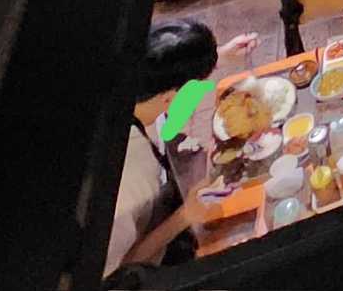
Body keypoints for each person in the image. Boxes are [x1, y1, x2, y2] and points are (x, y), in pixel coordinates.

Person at [106, 19, 254, 278]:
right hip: (150, 265)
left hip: (169, 195)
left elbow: (170, 86)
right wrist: (185, 216)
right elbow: (117, 275)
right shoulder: (128, 176)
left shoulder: (132, 89)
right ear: (169, 97)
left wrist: (217, 58)